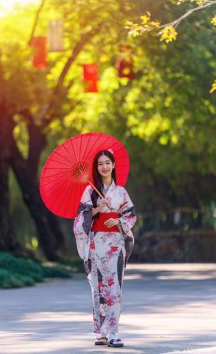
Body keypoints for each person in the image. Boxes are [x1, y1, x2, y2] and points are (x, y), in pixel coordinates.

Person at [73, 149, 136, 348]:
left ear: (113, 165)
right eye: (100, 164)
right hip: (96, 243)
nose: (104, 167)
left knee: (114, 287)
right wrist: (97, 209)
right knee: (98, 288)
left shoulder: (121, 192)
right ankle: (101, 332)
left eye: (107, 163)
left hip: (116, 244)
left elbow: (131, 216)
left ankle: (114, 332)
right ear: (96, 167)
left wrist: (117, 222)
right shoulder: (90, 191)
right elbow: (79, 219)